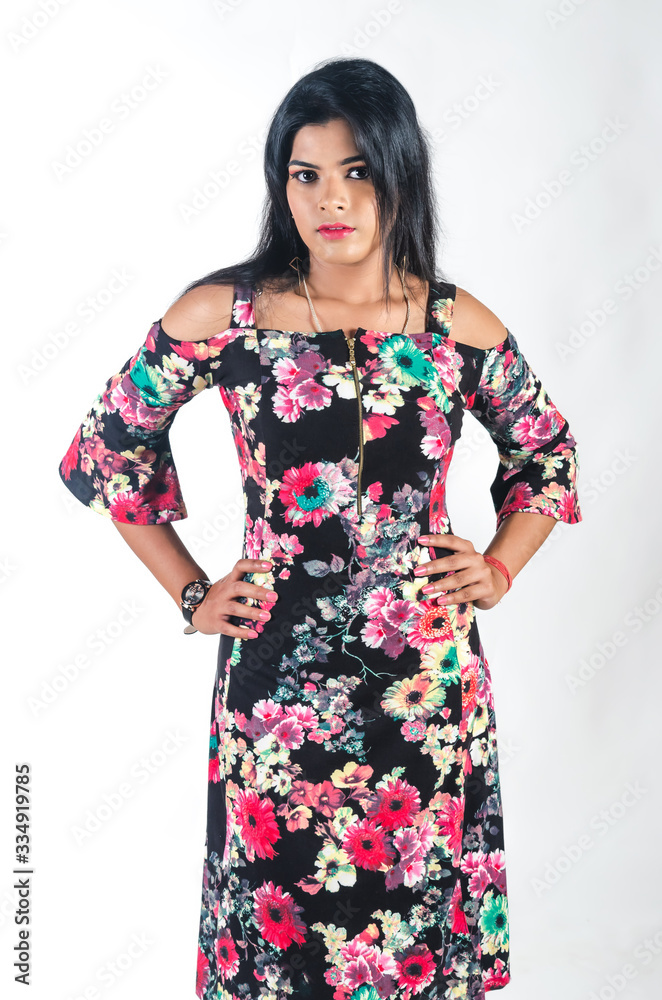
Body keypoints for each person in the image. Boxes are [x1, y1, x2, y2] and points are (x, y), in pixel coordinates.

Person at [58, 56, 582, 1000]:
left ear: (399, 173)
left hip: (425, 693)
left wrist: (499, 569)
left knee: (419, 938)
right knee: (277, 949)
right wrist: (190, 589)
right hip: (276, 692)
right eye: (305, 175)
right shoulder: (228, 314)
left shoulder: (454, 325)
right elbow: (109, 449)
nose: (330, 199)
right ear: (280, 184)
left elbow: (548, 455)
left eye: (357, 172)